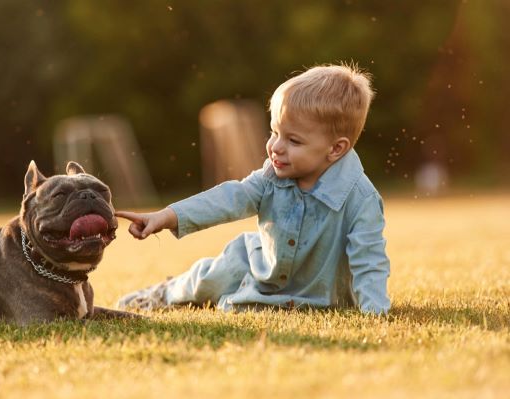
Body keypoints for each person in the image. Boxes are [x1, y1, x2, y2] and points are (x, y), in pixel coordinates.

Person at [116, 63, 391, 314]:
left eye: (293, 140)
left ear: (336, 149)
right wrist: (166, 216)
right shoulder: (270, 178)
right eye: (274, 132)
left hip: (317, 293)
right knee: (208, 278)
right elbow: (226, 199)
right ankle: (166, 292)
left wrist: (375, 311)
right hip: (257, 265)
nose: (276, 146)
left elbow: (369, 260)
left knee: (250, 305)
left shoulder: (361, 199)